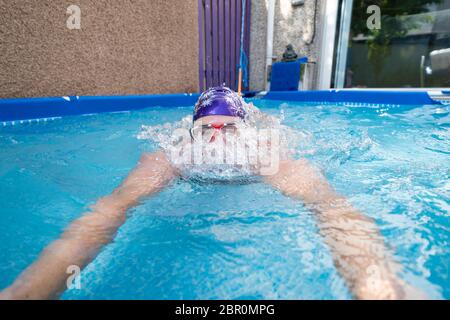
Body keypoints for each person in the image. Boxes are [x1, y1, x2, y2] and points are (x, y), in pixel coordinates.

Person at [0, 86, 424, 300]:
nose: (217, 141)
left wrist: (379, 287)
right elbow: (109, 210)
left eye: (228, 130)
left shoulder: (267, 155)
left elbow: (331, 209)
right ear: (192, 132)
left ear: (246, 132)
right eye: (207, 130)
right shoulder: (169, 157)